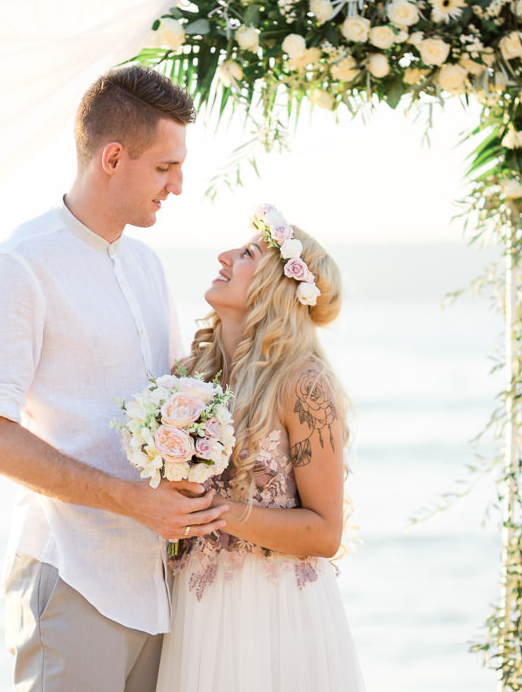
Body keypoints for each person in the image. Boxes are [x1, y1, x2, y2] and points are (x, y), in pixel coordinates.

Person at [0, 66, 228, 692]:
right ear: (113, 157)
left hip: (156, 586)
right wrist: (131, 500)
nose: (178, 185)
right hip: (73, 578)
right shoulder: (17, 266)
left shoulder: (147, 264)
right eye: (165, 167)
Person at [156, 204, 366, 691]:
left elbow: (324, 532)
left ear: (277, 285)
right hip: (195, 609)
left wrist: (217, 512)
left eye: (248, 253)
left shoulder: (304, 385)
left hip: (277, 616)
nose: (225, 256)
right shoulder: (189, 378)